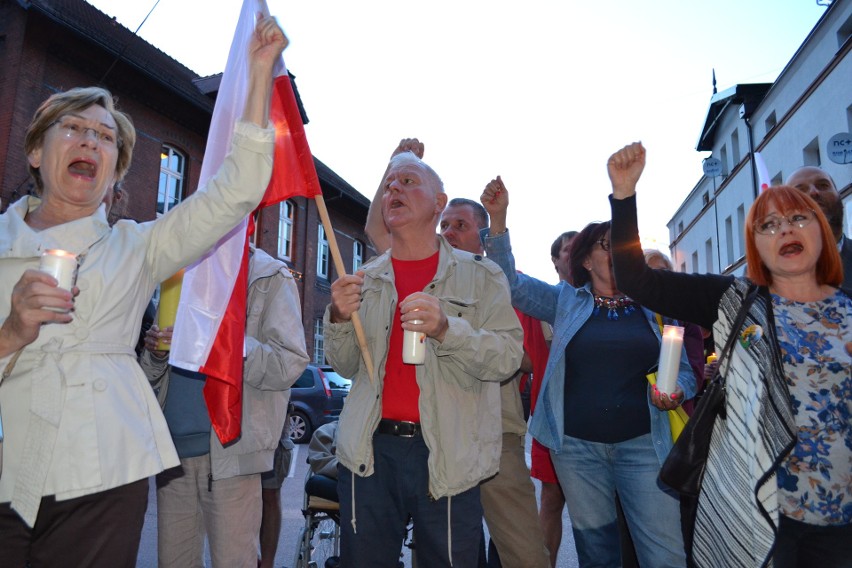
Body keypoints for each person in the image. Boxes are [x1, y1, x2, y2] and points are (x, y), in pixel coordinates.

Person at [0, 16, 286, 567]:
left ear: (113, 173)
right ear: (36, 153)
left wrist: (256, 76)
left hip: (103, 470)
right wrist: (11, 333)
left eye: (105, 137)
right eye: (74, 128)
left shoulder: (138, 247)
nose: (90, 140)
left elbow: (235, 193)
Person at [607, 142, 850, 568]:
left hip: (837, 509)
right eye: (769, 225)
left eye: (798, 219)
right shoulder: (733, 300)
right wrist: (624, 196)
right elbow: (636, 278)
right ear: (755, 245)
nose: (786, 231)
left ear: (821, 233)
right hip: (754, 502)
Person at [324, 151, 524, 567]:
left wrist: (448, 329)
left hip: (448, 452)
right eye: (390, 184)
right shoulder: (366, 279)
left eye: (409, 181)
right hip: (370, 453)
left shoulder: (483, 276)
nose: (394, 187)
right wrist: (339, 317)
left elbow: (508, 357)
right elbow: (344, 365)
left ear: (439, 202)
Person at [481, 178, 693, 568]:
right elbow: (507, 284)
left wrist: (676, 389)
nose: (618, 254)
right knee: (597, 555)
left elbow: (684, 370)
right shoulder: (565, 301)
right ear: (585, 261)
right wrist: (497, 222)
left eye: (624, 246)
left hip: (645, 446)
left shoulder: (655, 302)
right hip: (577, 452)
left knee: (665, 555)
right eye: (607, 246)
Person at [140, 245, 308, 568]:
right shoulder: (181, 267)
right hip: (173, 455)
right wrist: (156, 354)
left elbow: (290, 363)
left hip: (232, 455)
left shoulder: (268, 275)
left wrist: (229, 344)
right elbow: (151, 375)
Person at [440, 194, 550, 568]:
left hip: (496, 430)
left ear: (482, 238)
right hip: (440, 432)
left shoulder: (501, 283)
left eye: (460, 226)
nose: (449, 233)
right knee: (443, 550)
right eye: (444, 225)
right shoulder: (430, 280)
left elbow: (523, 356)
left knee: (525, 551)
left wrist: (454, 331)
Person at [786, 166, 852, 288]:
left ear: (839, 196)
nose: (813, 192)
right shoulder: (764, 277)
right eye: (800, 191)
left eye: (823, 185)